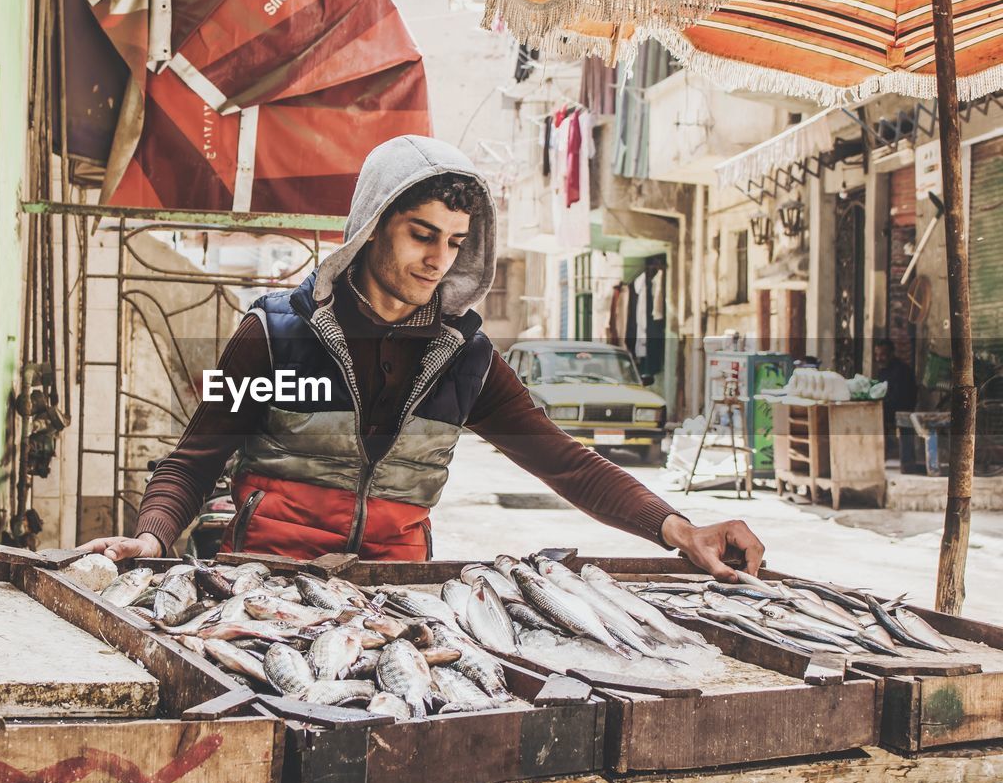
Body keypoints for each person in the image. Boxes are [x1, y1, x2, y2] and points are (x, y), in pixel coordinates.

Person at [81, 136, 764, 580]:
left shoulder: (463, 360)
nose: (439, 259)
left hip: (401, 595)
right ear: (373, 226)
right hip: (262, 584)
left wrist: (680, 529)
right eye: (422, 235)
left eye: (456, 241)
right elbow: (194, 460)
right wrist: (152, 540)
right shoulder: (274, 336)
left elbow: (567, 463)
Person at [874, 338, 918, 447]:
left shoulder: (901, 371)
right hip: (890, 407)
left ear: (892, 354)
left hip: (901, 408)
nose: (879, 358)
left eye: (882, 355)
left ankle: (883, 447)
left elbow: (900, 398)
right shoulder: (883, 371)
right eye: (877, 355)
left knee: (873, 415)